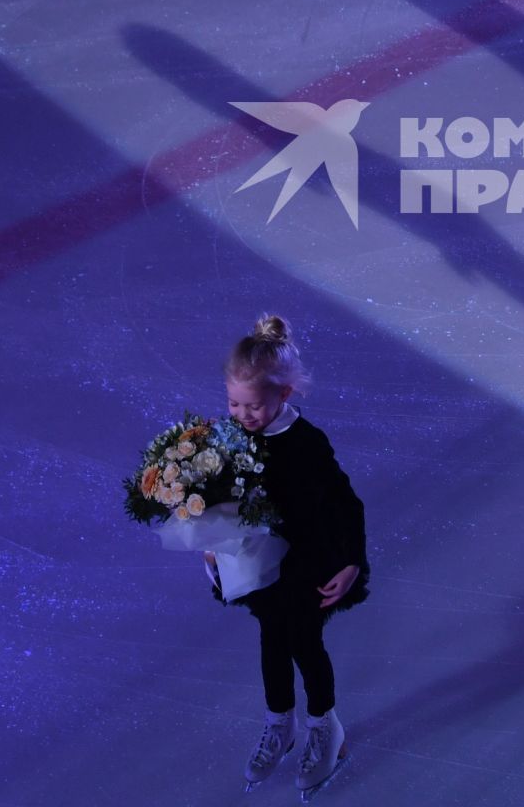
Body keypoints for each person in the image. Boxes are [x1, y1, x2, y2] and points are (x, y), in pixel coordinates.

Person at [221, 315, 368, 794]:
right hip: (263, 560)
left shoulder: (307, 444)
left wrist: (351, 561)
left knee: (304, 643)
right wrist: (213, 545)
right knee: (271, 640)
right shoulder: (231, 437)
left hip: (309, 560)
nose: (242, 414)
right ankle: (279, 721)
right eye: (234, 403)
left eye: (253, 405)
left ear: (283, 394)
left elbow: (346, 502)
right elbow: (218, 497)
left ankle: (327, 727)